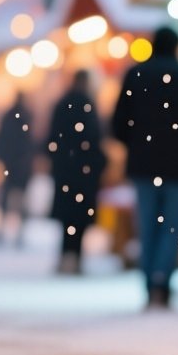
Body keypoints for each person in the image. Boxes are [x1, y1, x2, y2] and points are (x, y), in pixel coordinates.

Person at [112, 26, 178, 310]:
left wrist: (137, 143)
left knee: (147, 227)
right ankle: (162, 283)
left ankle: (148, 284)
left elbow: (119, 124)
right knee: (171, 229)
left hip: (143, 167)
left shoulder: (135, 75)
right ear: (177, 47)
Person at [46, 70, 108, 275]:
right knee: (80, 217)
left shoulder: (62, 104)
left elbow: (52, 137)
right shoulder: (88, 106)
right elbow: (94, 139)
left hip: (64, 170)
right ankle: (77, 257)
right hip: (84, 173)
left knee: (67, 217)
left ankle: (65, 256)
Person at [0, 92, 35, 247]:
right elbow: (31, 141)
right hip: (22, 165)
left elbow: (1, 140)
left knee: (7, 198)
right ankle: (18, 234)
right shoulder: (27, 116)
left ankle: (2, 231)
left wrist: (2, 158)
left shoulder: (9, 116)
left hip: (10, 164)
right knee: (20, 200)